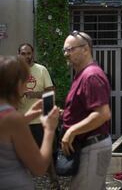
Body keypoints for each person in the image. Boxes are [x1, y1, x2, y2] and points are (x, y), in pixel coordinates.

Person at [61, 31, 112, 189]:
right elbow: (86, 110)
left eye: (70, 49)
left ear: (85, 49)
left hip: (91, 147)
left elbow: (102, 114)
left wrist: (71, 131)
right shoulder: (82, 74)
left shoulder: (91, 76)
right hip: (87, 146)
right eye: (65, 50)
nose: (66, 54)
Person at [0, 55, 59, 189]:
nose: (27, 85)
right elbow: (39, 168)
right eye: (26, 80)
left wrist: (26, 117)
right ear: (17, 83)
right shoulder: (13, 119)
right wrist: (49, 129)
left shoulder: (10, 118)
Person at [17, 43, 60, 189]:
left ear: (32, 54)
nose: (26, 56)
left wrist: (34, 94)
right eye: (23, 53)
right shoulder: (15, 72)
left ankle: (54, 181)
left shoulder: (41, 70)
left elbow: (51, 92)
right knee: (20, 154)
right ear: (19, 55)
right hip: (21, 121)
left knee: (45, 153)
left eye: (28, 53)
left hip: (39, 120)